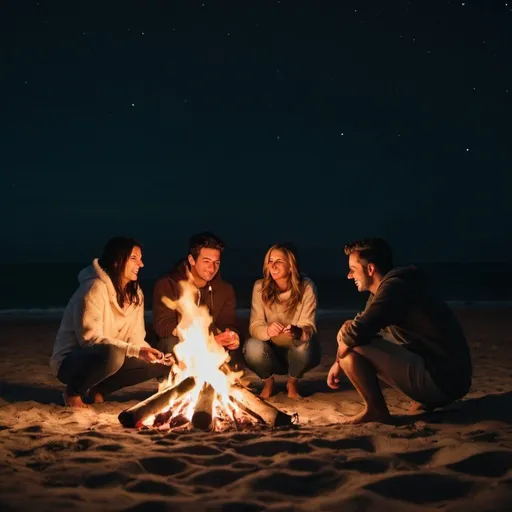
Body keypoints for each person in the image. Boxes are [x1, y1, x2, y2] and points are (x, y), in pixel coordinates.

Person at [327, 237, 472, 424]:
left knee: (348, 337)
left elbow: (356, 332)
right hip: (449, 377)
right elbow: (363, 324)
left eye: (353, 270)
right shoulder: (389, 288)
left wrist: (341, 356)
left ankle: (376, 411)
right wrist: (339, 359)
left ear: (370, 269)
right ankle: (426, 400)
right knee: (350, 334)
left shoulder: (394, 288)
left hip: (443, 379)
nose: (349, 276)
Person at [50, 237, 169, 408]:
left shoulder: (136, 294)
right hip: (72, 362)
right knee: (113, 354)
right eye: (134, 258)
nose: (141, 264)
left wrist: (147, 352)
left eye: (140, 258)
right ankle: (73, 392)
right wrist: (136, 350)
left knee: (161, 364)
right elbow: (90, 340)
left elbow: (135, 337)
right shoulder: (94, 289)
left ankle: (98, 389)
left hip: (110, 359)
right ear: (116, 261)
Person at [243, 243, 320, 399]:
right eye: (270, 261)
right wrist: (267, 330)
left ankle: (292, 383)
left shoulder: (307, 287)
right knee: (251, 346)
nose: (273, 265)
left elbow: (309, 326)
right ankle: (268, 383)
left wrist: (297, 331)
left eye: (279, 261)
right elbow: (254, 325)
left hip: (297, 351)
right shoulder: (260, 287)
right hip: (271, 353)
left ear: (291, 266)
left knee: (305, 346)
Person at [152, 232, 240, 362]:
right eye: (206, 261)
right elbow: (163, 326)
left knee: (234, 350)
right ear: (192, 259)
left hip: (212, 344)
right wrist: (204, 341)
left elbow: (227, 323)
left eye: (216, 263)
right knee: (171, 344)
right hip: (181, 343)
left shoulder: (225, 289)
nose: (212, 268)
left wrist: (232, 336)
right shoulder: (167, 284)